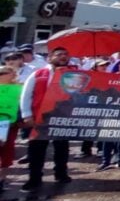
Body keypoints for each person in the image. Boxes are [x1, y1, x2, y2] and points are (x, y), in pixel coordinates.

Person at [18, 47, 74, 191]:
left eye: (65, 54)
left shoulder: (73, 74)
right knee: (37, 149)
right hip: (39, 117)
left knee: (62, 148)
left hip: (62, 117)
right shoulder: (38, 73)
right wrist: (26, 115)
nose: (63, 57)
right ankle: (34, 178)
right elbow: (26, 94)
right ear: (50, 57)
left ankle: (61, 174)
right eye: (59, 54)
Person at [0, 65, 19, 191]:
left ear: (13, 74)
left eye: (4, 73)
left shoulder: (19, 88)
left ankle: (2, 179)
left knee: (6, 151)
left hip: (10, 124)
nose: (1, 76)